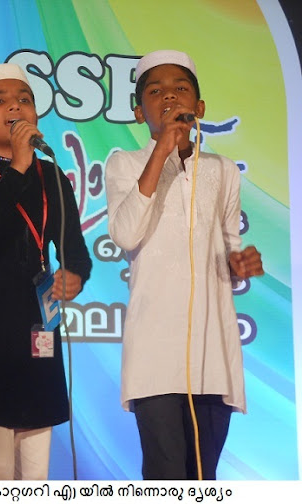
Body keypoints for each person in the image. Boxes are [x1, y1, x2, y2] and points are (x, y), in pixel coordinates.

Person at [105, 50, 264, 480]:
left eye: (180, 88)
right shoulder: (124, 163)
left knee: (203, 478)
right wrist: (162, 152)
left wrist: (239, 263)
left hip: (212, 349)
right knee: (165, 475)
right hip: (154, 350)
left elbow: (228, 247)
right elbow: (126, 234)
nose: (170, 96)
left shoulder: (222, 170)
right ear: (139, 112)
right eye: (156, 91)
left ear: (200, 107)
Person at [0, 63, 92, 480]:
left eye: (25, 99)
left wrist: (75, 275)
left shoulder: (52, 175)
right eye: (0, 100)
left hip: (38, 337)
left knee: (34, 475)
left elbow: (75, 251)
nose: (15, 107)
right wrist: (18, 168)